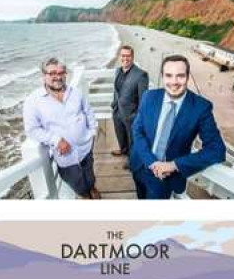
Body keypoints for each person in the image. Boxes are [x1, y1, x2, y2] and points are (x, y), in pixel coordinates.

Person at [130, 55, 226, 199]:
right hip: (140, 164)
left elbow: (216, 150)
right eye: (169, 75)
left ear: (188, 77)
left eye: (180, 76)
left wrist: (174, 165)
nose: (174, 82)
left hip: (165, 178)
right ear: (162, 77)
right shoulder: (149, 97)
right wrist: (151, 161)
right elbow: (137, 130)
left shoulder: (201, 107)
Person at [23, 57, 100, 199]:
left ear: (65, 74)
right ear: (43, 76)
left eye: (61, 72)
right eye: (52, 73)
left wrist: (93, 132)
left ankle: (92, 187)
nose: (57, 77)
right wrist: (56, 139)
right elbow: (32, 129)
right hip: (66, 157)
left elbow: (88, 111)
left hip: (86, 147)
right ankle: (84, 194)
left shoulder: (75, 92)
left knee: (89, 172)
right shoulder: (33, 101)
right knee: (76, 182)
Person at [111, 45, 149, 170]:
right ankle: (123, 150)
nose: (125, 58)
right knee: (120, 133)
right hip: (117, 111)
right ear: (119, 56)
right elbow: (117, 90)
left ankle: (132, 160)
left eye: (128, 56)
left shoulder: (141, 75)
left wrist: (137, 116)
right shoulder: (117, 71)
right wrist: (114, 104)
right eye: (123, 55)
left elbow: (144, 99)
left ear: (132, 57)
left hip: (131, 114)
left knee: (132, 139)